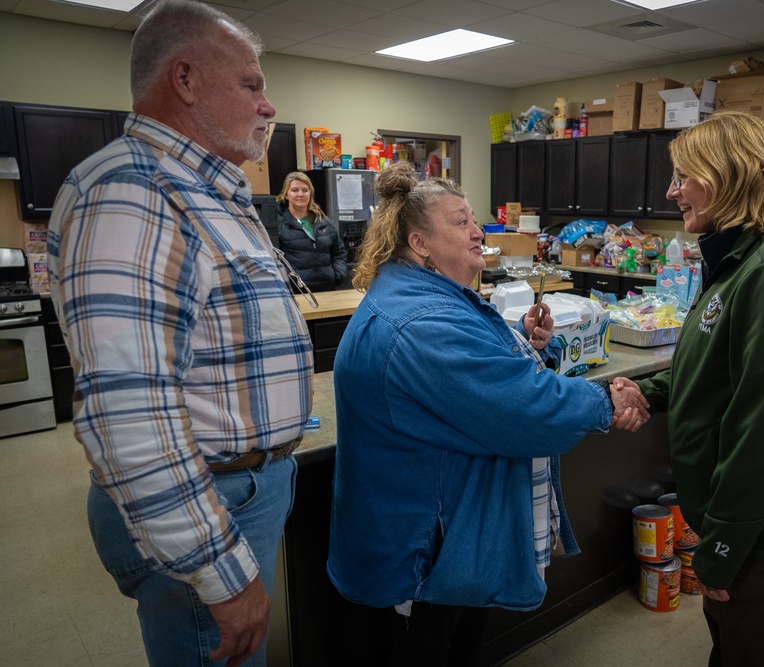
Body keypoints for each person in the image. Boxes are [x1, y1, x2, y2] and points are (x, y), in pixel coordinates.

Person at [46, 2, 313, 665]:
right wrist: (219, 572)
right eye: (251, 84)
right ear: (187, 80)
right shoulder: (135, 190)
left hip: (243, 486)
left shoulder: (204, 191)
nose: (266, 103)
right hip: (209, 505)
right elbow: (129, 414)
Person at [327, 160, 649, 664]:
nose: (478, 231)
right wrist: (605, 401)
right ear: (419, 243)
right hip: (424, 554)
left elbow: (472, 384)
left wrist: (520, 341)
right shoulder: (422, 322)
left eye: (474, 219)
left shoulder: (424, 298)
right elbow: (521, 408)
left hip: (444, 536)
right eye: (461, 221)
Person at [612, 111, 764, 666]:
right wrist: (651, 392)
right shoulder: (743, 260)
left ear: (729, 175)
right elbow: (718, 367)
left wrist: (722, 548)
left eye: (682, 177)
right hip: (745, 526)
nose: (671, 192)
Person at [274, 170, 349, 291]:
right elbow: (274, 258)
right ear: (286, 194)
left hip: (327, 290)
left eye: (305, 190)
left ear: (310, 193)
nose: (300, 194)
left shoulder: (322, 221)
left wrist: (338, 275)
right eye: (294, 190)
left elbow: (339, 252)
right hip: (296, 293)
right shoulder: (278, 223)